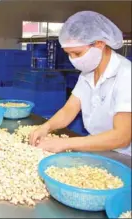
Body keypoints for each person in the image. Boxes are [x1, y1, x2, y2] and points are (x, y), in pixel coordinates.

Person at [29, 11, 131, 156]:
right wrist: (46, 127)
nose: (73, 60)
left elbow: (122, 137)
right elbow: (69, 110)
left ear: (100, 43)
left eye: (77, 53)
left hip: (123, 156)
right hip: (95, 148)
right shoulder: (87, 73)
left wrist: (64, 144)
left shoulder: (126, 75)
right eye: (68, 54)